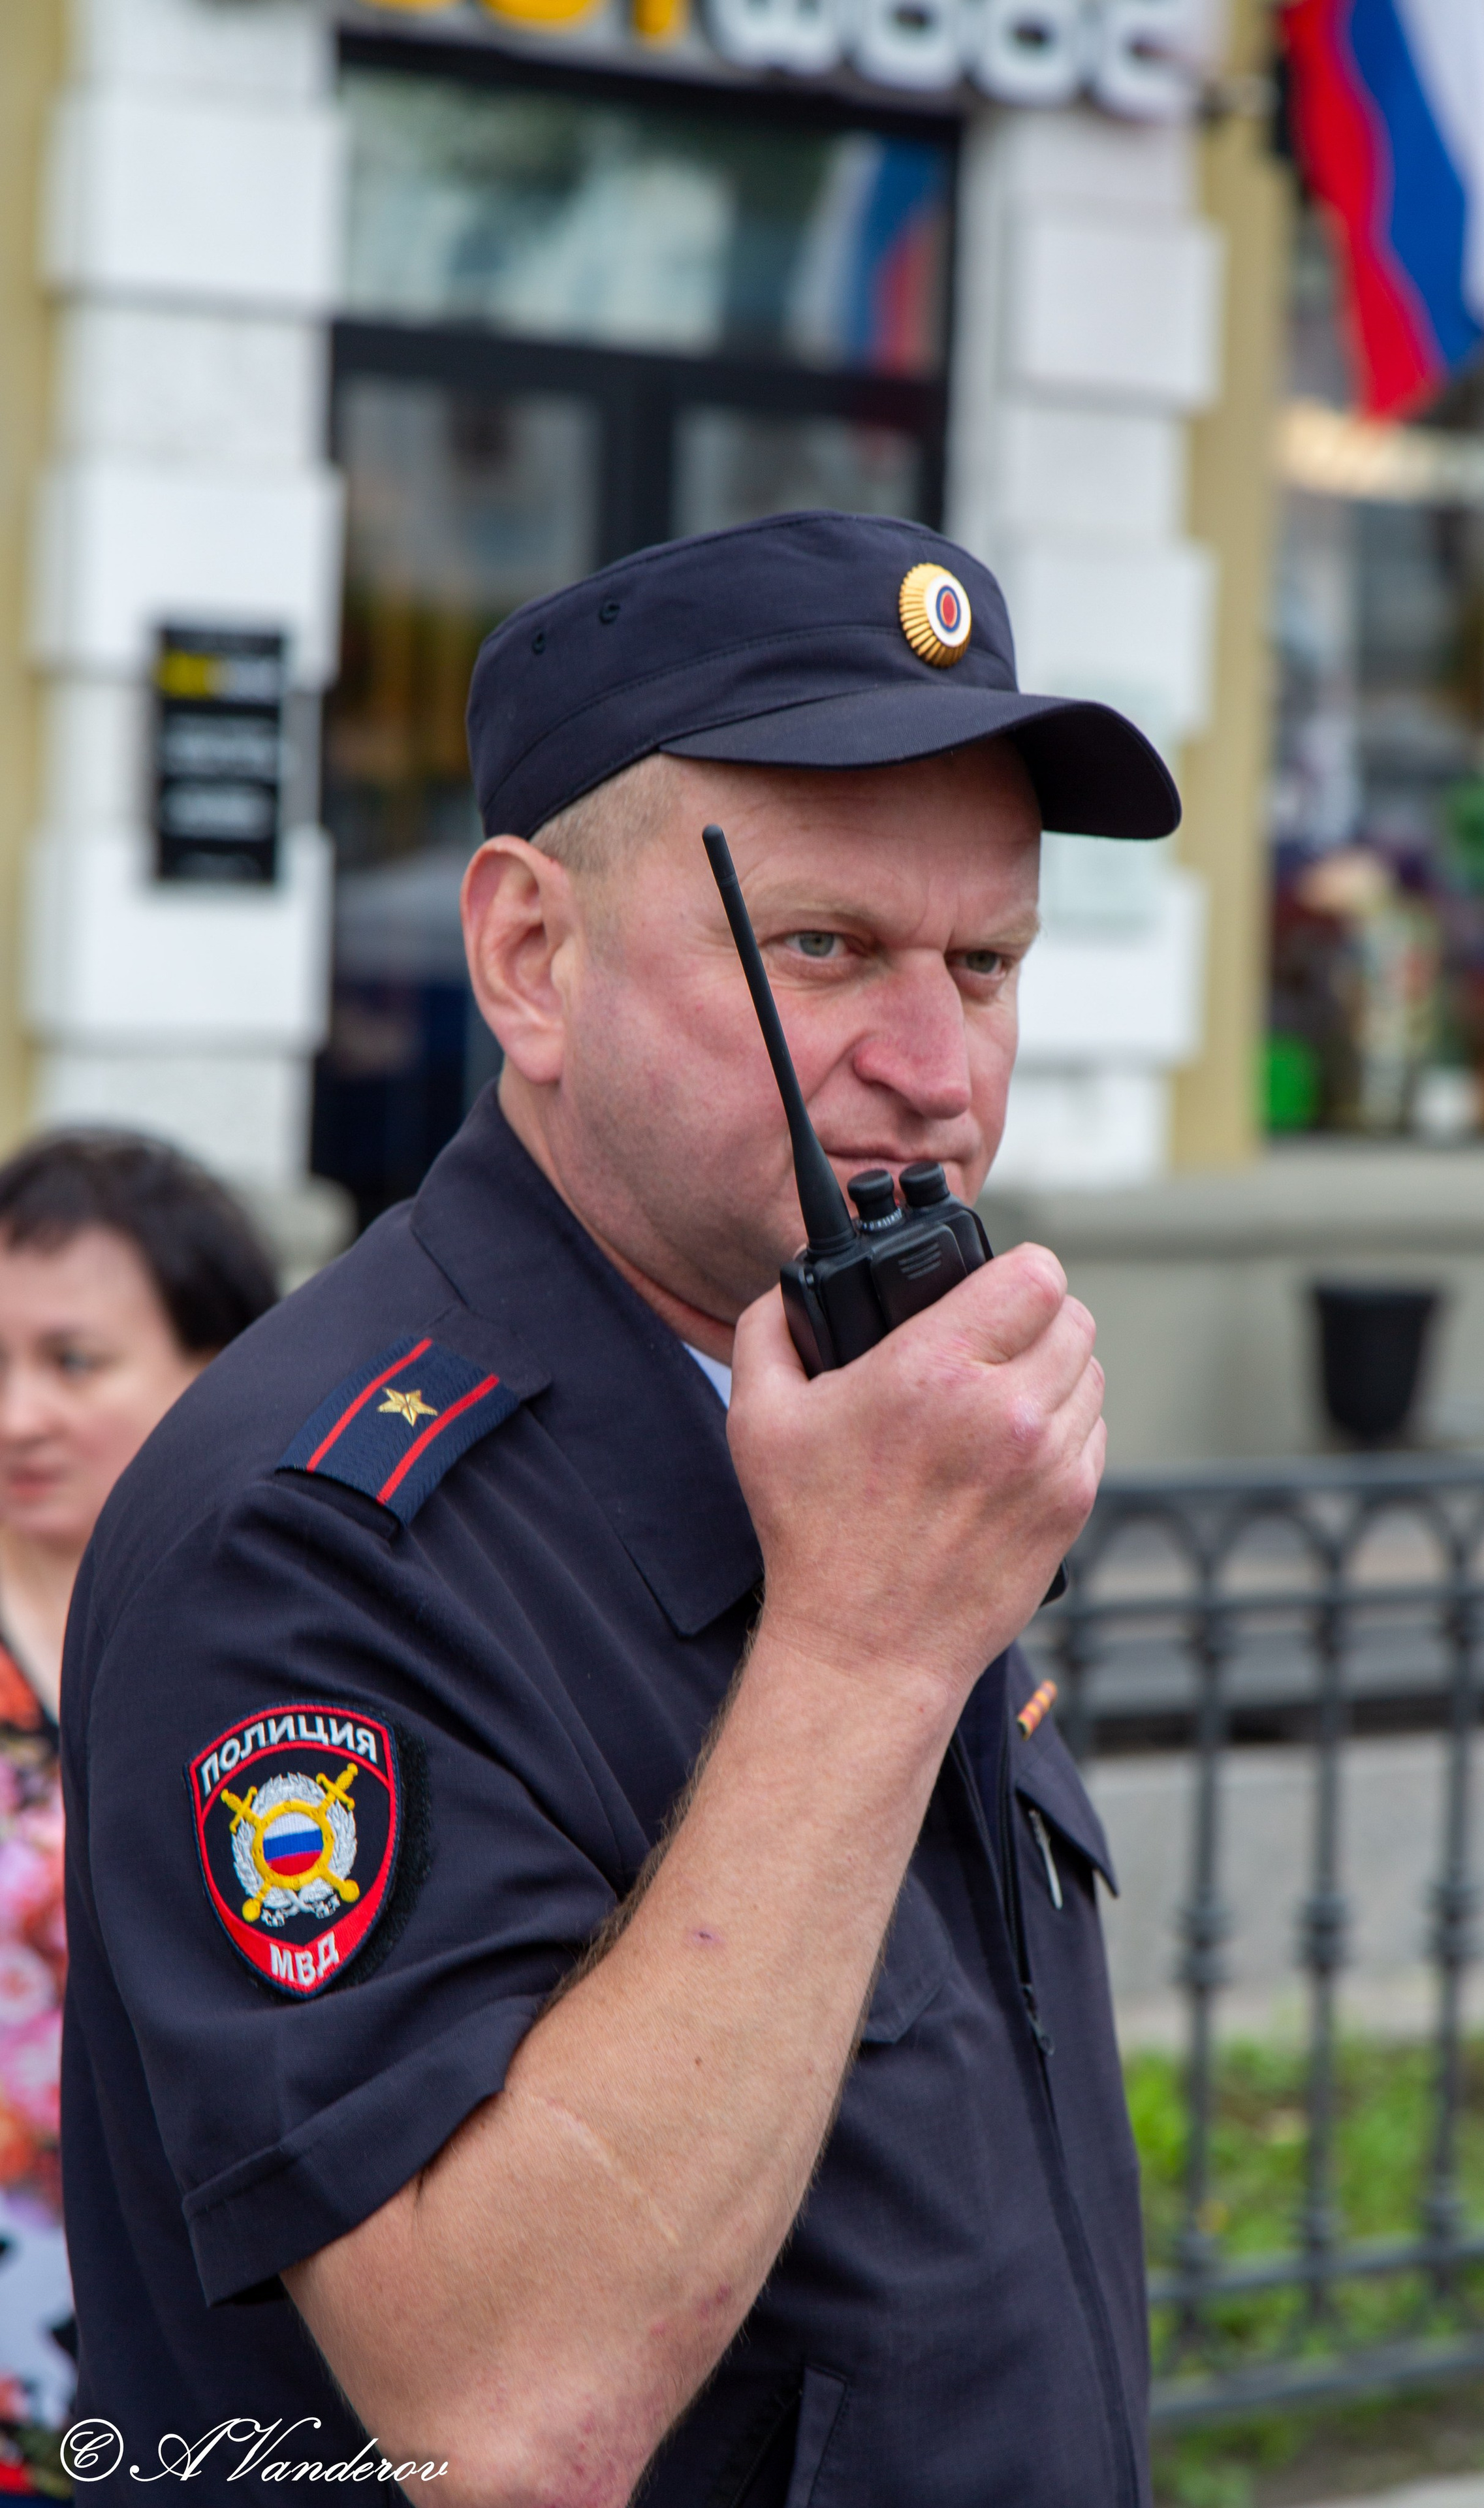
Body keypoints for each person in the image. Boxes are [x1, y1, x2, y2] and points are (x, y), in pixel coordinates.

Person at [59, 513, 1179, 2504]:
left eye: (987, 962)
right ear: (530, 957)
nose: (937, 1071)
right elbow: (504, 2418)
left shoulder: (850, 1408)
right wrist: (864, 1649)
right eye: (823, 947)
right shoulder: (307, 1533)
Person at [0, 1132, 276, 2492]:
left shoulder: (285, 1642)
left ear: (216, 1367)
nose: (18, 1416)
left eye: (74, 1361)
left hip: (208, 2334)